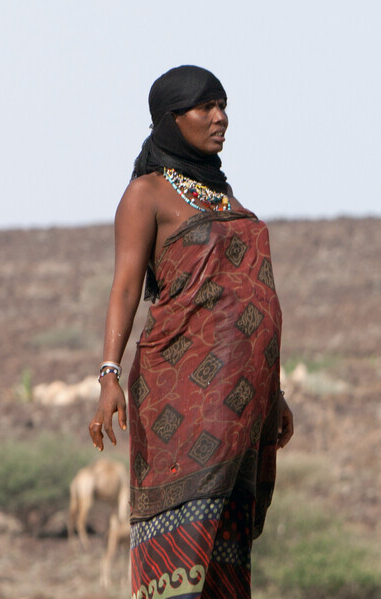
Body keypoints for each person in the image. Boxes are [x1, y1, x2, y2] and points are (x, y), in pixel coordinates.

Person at [89, 65, 294, 599]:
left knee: (227, 541)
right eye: (206, 108)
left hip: (242, 401)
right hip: (182, 394)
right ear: (171, 118)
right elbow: (126, 288)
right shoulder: (147, 195)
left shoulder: (224, 197)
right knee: (188, 532)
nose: (220, 118)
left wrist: (276, 393)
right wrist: (108, 374)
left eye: (223, 106)